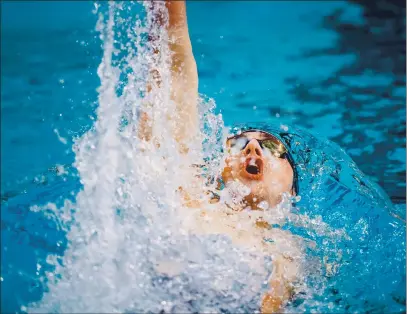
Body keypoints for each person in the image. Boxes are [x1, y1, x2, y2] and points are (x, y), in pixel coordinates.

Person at [139, 1, 305, 313]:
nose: (252, 149)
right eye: (238, 142)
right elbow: (172, 76)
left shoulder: (289, 251)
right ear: (217, 172)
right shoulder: (184, 196)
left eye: (271, 147)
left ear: (292, 190)